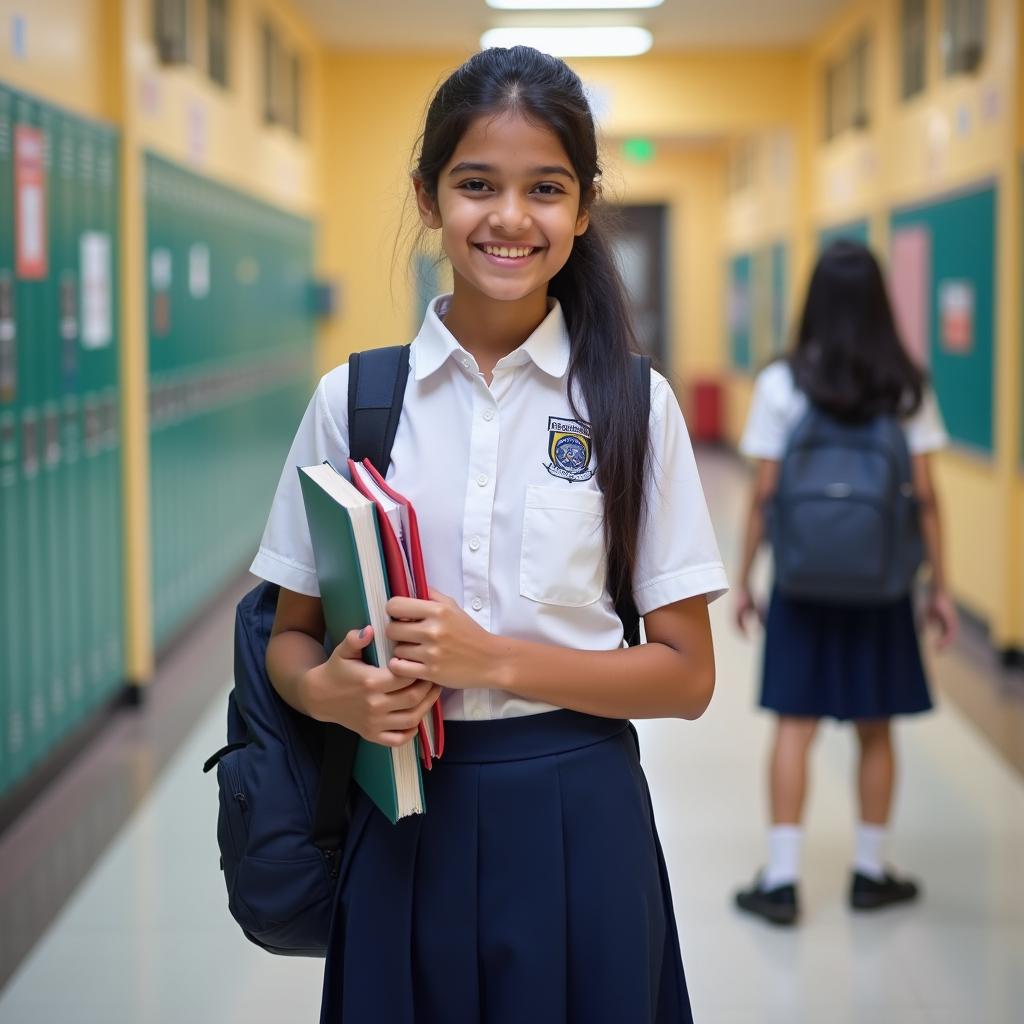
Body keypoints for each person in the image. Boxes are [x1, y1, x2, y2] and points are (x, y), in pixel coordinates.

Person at [250, 46, 728, 1023]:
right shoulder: (356, 402)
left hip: (579, 813)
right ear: (428, 198)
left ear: (583, 208)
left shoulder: (631, 405)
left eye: (544, 189)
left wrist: (493, 659)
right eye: (477, 185)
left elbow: (685, 675)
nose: (510, 218)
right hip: (402, 814)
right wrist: (326, 691)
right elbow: (286, 638)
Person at [732, 240, 958, 926]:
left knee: (794, 726)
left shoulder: (782, 383)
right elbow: (926, 496)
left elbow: (763, 496)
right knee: (875, 728)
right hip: (883, 584)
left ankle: (781, 880)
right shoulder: (905, 384)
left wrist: (745, 578)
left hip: (802, 581)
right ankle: (868, 873)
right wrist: (939, 588)